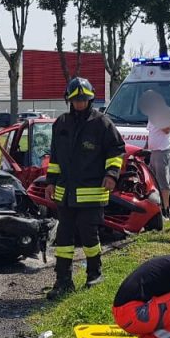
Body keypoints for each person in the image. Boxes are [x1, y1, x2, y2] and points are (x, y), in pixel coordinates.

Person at [45, 78, 126, 296]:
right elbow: (55, 157)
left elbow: (116, 149)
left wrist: (111, 174)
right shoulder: (61, 123)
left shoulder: (102, 123)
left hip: (91, 193)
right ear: (69, 100)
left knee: (89, 235)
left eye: (83, 99)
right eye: (75, 100)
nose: (79, 103)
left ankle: (94, 274)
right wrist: (50, 181)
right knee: (63, 238)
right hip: (65, 193)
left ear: (90, 99)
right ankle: (63, 281)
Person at [140, 90, 170, 218]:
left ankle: (166, 210)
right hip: (154, 152)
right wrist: (144, 149)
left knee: (163, 182)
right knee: (153, 182)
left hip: (163, 151)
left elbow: (167, 130)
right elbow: (151, 134)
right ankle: (157, 208)